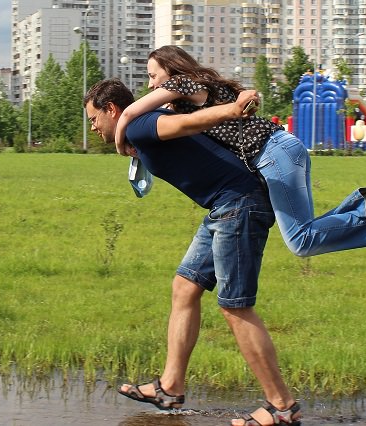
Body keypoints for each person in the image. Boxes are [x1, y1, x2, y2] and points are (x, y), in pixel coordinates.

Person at [85, 78, 302, 426]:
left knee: (235, 307)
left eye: (94, 119)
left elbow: (188, 122)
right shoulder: (139, 129)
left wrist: (231, 109)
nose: (93, 127)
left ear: (111, 110)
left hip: (239, 204)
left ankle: (282, 407)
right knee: (185, 287)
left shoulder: (143, 123)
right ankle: (170, 386)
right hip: (224, 206)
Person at [114, 45, 366, 259]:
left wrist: (119, 142)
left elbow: (129, 114)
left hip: (272, 154)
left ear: (172, 69)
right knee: (305, 232)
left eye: (154, 76)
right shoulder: (204, 87)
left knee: (301, 241)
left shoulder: (185, 83)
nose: (151, 84)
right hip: (284, 147)